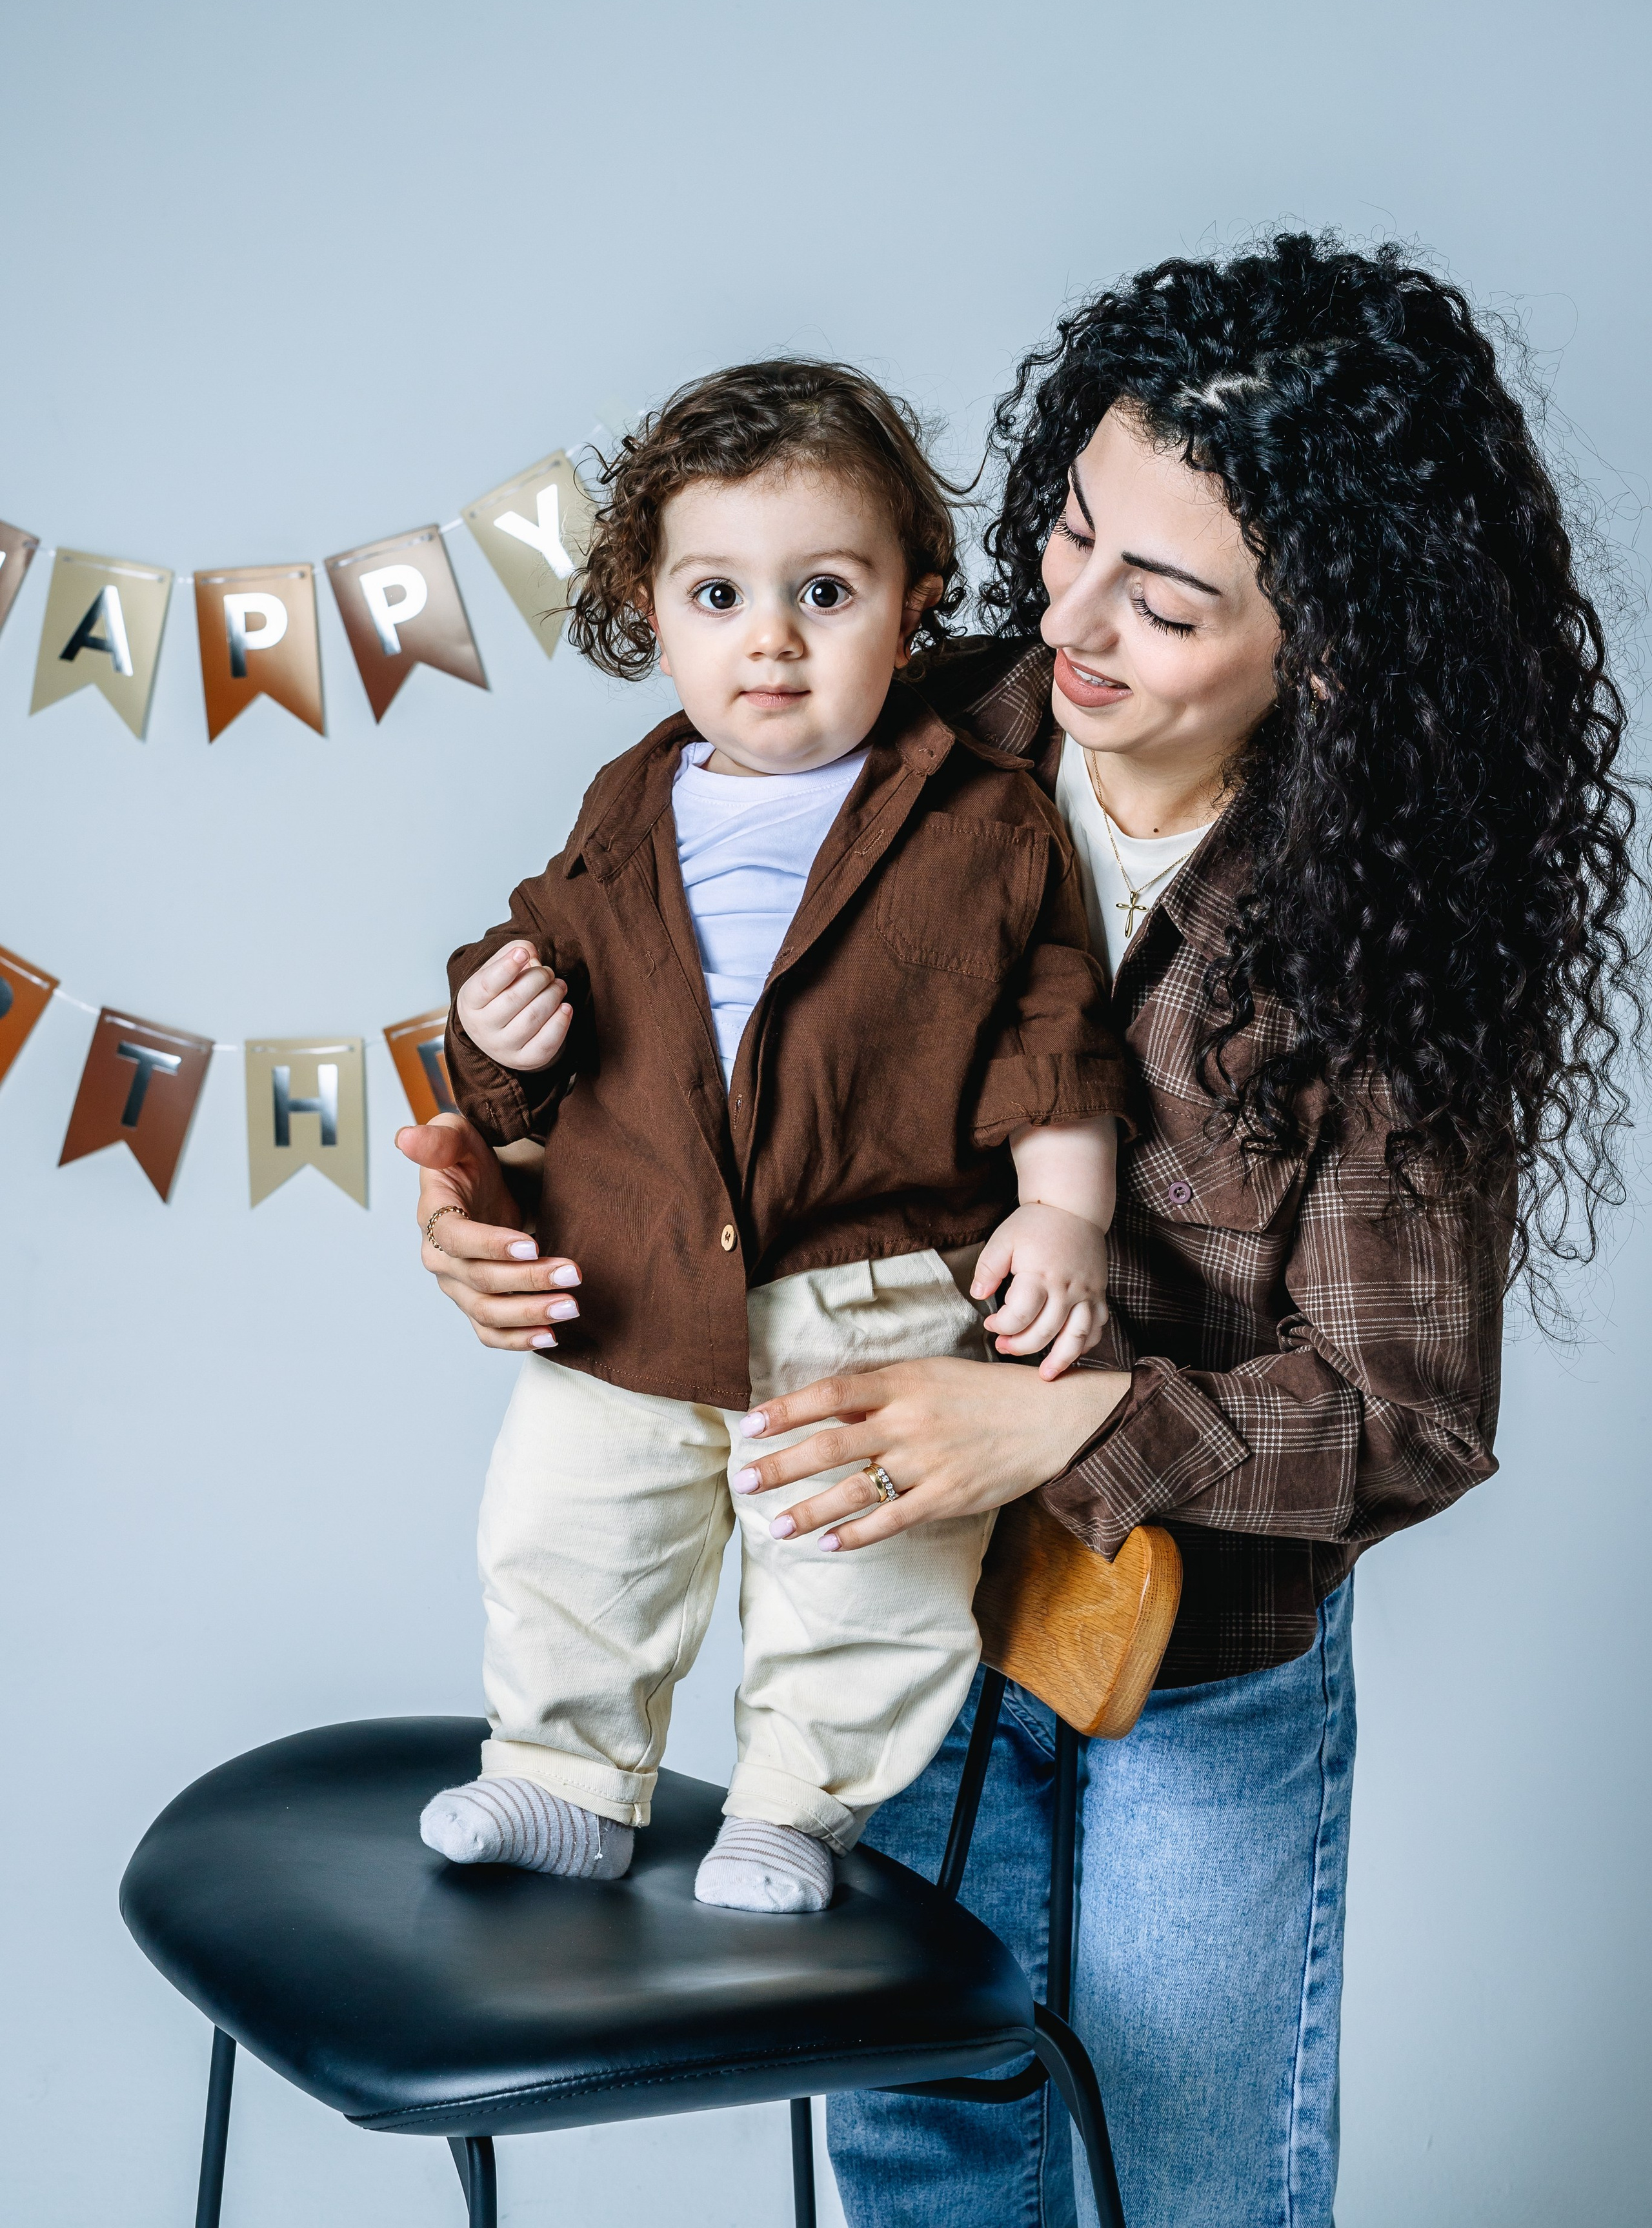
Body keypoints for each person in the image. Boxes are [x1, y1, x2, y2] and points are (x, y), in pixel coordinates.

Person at [401, 236, 1639, 2223]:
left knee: (1183, 2162)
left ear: (1326, 649)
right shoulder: (896, 725)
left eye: (1162, 600)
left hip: (1191, 1659)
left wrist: (1062, 1422)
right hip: (899, 1615)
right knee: (925, 2134)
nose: (1065, 617)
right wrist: (495, 1180)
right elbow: (638, 1014)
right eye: (1068, 533)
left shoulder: (1386, 942)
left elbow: (1405, 1415)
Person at [415, 359, 1134, 1917]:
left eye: (824, 592)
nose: (771, 639)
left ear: (913, 606)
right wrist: (492, 1025)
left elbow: (1051, 1030)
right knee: (567, 1537)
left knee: (859, 1570)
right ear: (651, 613)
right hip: (627, 1269)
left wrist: (1061, 1214)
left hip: (868, 1284)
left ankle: (796, 1812)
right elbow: (534, 989)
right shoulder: (629, 802)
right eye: (717, 595)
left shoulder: (978, 816)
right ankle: (560, 1778)